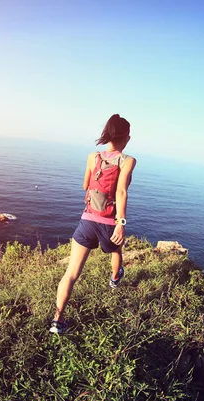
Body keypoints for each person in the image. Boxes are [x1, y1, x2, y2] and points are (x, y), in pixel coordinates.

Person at [50, 114, 137, 334]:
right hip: (109, 222)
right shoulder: (127, 160)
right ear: (126, 137)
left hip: (87, 221)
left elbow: (85, 185)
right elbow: (122, 191)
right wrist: (121, 223)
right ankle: (115, 279)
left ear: (107, 134)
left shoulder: (93, 156)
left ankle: (57, 322)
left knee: (70, 274)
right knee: (115, 251)